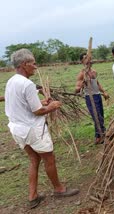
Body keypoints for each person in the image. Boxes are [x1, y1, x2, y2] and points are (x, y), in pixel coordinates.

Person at [5, 49, 79, 209]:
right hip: (32, 129)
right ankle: (59, 189)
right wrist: (52, 106)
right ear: (24, 64)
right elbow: (37, 111)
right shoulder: (27, 84)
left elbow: (25, 105)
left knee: (34, 159)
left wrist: (43, 103)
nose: (35, 67)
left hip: (17, 129)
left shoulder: (11, 81)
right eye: (33, 63)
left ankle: (33, 196)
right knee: (49, 158)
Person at [75, 53, 109, 144]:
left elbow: (97, 83)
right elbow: (76, 90)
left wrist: (104, 92)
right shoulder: (82, 74)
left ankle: (97, 137)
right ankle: (103, 135)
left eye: (89, 57)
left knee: (100, 115)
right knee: (97, 117)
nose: (89, 59)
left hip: (97, 96)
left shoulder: (94, 72)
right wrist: (83, 83)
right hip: (90, 98)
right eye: (86, 58)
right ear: (82, 62)